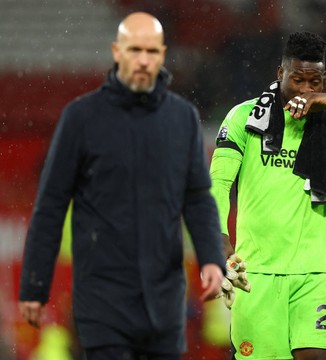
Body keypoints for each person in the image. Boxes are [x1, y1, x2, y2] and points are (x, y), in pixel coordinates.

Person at [18, 12, 226, 359]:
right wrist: (34, 286)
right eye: (134, 50)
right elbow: (51, 205)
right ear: (117, 51)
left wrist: (211, 259)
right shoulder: (81, 118)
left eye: (151, 51)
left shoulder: (182, 119)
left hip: (164, 300)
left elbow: (197, 197)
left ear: (162, 54)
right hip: (102, 298)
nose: (143, 60)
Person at [209, 31, 326, 359]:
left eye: (314, 81)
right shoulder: (244, 118)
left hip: (315, 273)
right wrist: (218, 240)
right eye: (297, 79)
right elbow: (218, 184)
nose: (305, 89)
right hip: (255, 274)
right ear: (280, 73)